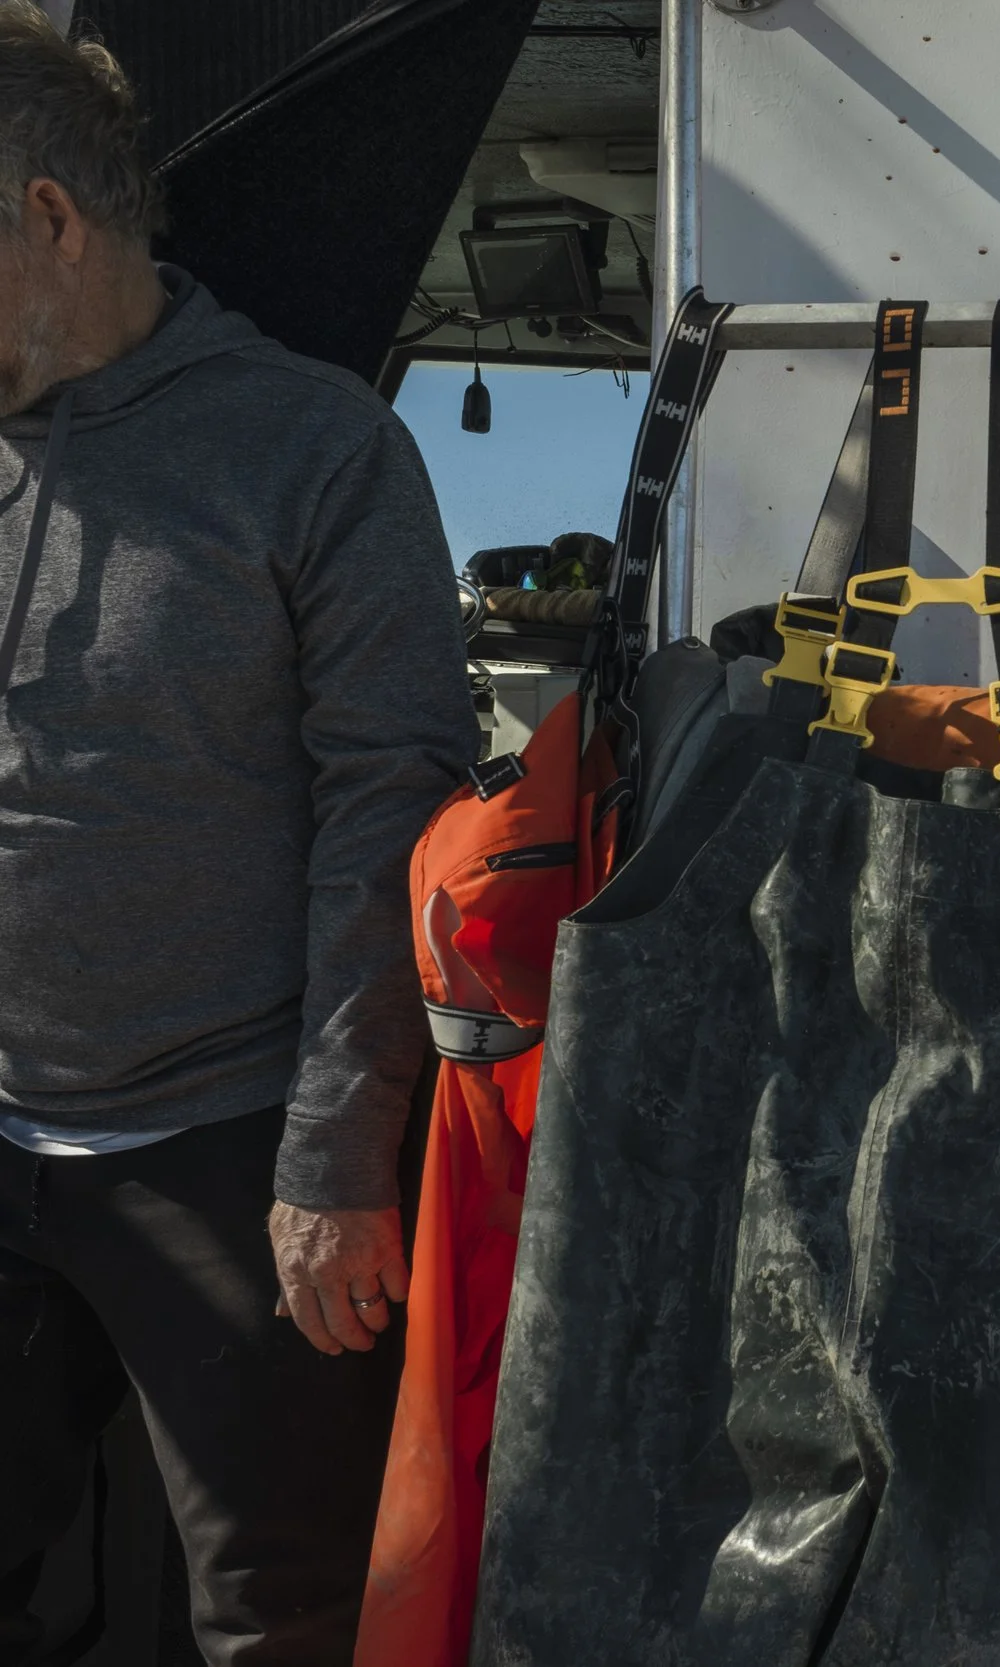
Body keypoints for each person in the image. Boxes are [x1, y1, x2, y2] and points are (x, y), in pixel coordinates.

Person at [0, 9, 476, 1662]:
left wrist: (339, 1157)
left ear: (52, 220)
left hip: (234, 1147)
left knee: (283, 1622)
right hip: (2, 1126)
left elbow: (388, 807)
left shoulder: (316, 451)